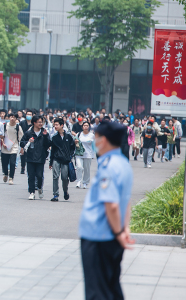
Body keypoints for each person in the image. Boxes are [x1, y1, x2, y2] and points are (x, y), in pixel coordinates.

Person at [79, 122, 134, 300]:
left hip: (99, 237)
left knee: (97, 292)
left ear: (103, 141)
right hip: (111, 236)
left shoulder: (108, 166)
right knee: (111, 287)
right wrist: (124, 229)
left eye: (96, 138)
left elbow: (112, 204)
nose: (94, 141)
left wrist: (118, 232)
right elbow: (126, 200)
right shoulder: (123, 163)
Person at [20, 115, 51, 200]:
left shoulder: (44, 132)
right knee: (31, 176)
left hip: (41, 157)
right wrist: (28, 141)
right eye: (39, 122)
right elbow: (21, 142)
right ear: (34, 123)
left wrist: (45, 136)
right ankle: (32, 192)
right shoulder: (29, 133)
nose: (41, 124)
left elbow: (48, 144)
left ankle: (40, 188)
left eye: (42, 122)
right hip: (30, 157)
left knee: (40, 175)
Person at [49, 118, 76, 202]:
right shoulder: (54, 137)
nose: (55, 126)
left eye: (56, 125)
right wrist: (50, 162)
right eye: (54, 125)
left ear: (61, 125)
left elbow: (73, 147)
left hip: (66, 160)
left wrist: (70, 155)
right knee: (55, 176)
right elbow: (52, 150)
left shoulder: (68, 136)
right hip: (56, 159)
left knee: (64, 178)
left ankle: (65, 191)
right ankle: (55, 194)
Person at [1, 113, 23, 185]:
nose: (12, 119)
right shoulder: (5, 126)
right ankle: (6, 174)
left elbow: (21, 137)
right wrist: (3, 143)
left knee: (12, 163)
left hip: (14, 147)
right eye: (11, 117)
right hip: (5, 147)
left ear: (16, 119)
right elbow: (1, 136)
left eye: (14, 117)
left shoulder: (18, 127)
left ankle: (11, 178)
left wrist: (22, 147)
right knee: (4, 163)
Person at [77, 122, 95, 189]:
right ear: (82, 127)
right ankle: (78, 181)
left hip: (88, 154)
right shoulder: (79, 134)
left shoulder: (92, 135)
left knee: (87, 169)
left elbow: (94, 146)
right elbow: (75, 141)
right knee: (79, 167)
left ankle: (85, 183)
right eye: (84, 125)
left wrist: (93, 155)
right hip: (79, 154)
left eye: (87, 125)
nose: (86, 127)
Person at [19, 110, 34, 175]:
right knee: (23, 155)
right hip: (24, 140)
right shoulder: (22, 123)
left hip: (31, 141)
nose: (29, 115)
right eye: (28, 114)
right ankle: (23, 167)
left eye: (30, 114)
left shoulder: (33, 124)